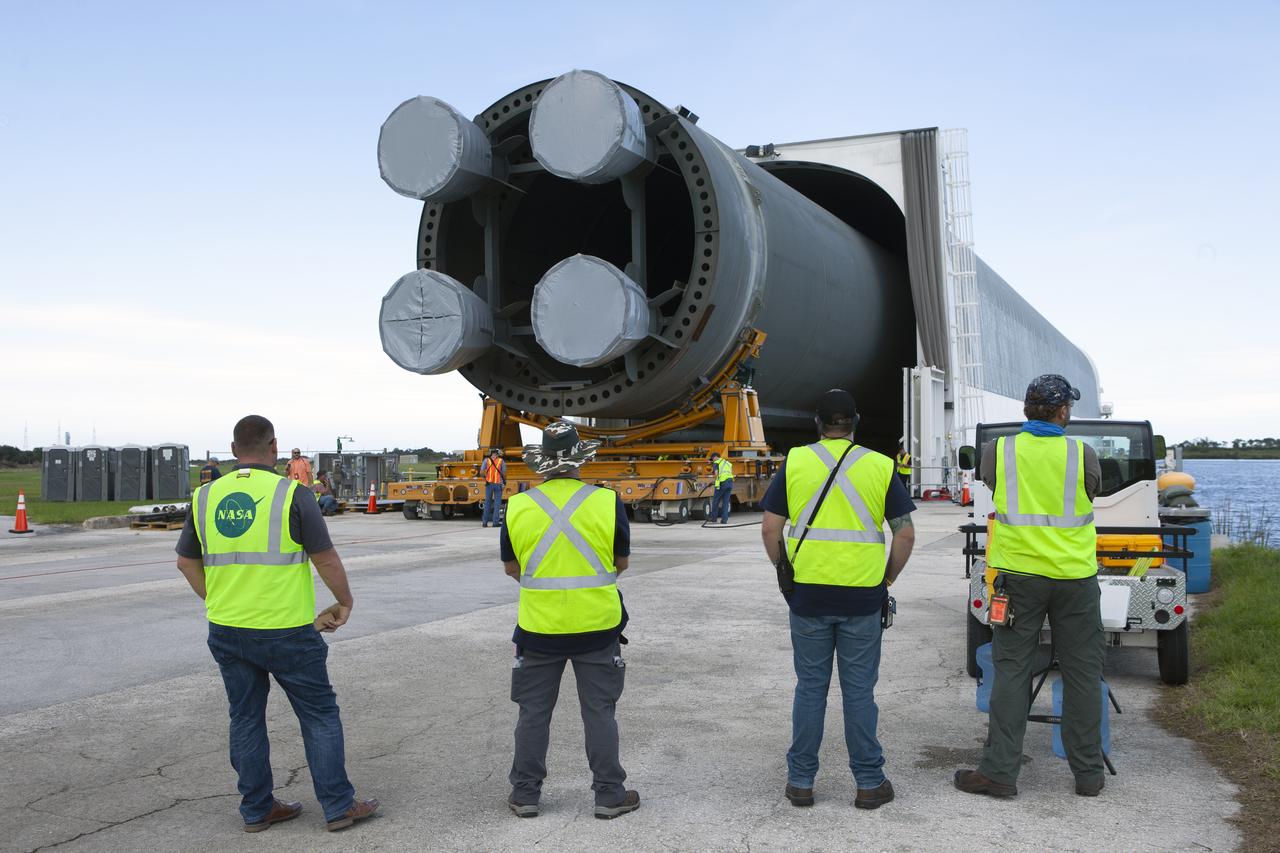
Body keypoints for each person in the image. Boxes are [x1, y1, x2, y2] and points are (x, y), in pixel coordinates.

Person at [174, 415, 378, 833]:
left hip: (228, 629)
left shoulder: (205, 497)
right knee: (319, 716)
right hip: (288, 631)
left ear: (233, 450)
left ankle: (257, 809)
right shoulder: (292, 495)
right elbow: (325, 558)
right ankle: (338, 807)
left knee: (245, 718)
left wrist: (216, 601)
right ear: (275, 447)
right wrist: (344, 601)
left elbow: (185, 562)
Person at [760, 389, 916, 811]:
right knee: (859, 692)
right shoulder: (881, 466)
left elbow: (770, 529)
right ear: (855, 422)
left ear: (817, 422)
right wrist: (887, 577)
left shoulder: (795, 461)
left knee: (810, 689)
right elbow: (904, 533)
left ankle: (801, 782)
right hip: (864, 597)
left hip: (808, 595)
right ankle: (868, 783)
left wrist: (783, 573)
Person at [955, 374, 1104, 799]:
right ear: (1061, 412)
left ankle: (1000, 773)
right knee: (1082, 674)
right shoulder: (1083, 454)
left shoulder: (996, 452)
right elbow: (1090, 494)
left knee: (1011, 672)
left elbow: (993, 486)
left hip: (1017, 580)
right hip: (1075, 579)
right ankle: (1088, 774)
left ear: (1027, 409)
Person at [500, 421, 639, 820]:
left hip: (538, 628)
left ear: (542, 463)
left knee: (532, 714)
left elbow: (512, 568)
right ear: (581, 461)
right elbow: (621, 563)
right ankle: (609, 795)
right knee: (599, 712)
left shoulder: (519, 505)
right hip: (597, 626)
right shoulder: (606, 502)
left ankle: (525, 794)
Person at [481, 448, 506, 528]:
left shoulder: (486, 461)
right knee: (497, 504)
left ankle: (484, 523)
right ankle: (495, 523)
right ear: (498, 454)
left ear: (491, 454)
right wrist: (504, 483)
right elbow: (504, 473)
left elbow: (481, 472)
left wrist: (486, 478)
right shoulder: (501, 461)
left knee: (487, 503)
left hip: (489, 484)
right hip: (498, 484)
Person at [709, 451, 734, 524]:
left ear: (715, 457)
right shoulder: (728, 463)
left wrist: (714, 481)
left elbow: (716, 474)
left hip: (722, 483)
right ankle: (724, 520)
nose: (712, 460)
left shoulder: (717, 463)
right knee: (725, 502)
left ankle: (714, 518)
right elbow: (730, 473)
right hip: (730, 483)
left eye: (712, 458)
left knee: (715, 501)